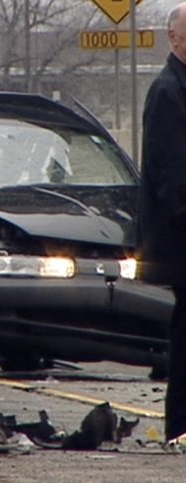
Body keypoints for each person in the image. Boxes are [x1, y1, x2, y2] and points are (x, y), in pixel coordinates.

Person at [137, 2, 186, 444]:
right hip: (181, 244)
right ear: (174, 39)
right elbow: (174, 180)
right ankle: (181, 430)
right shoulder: (168, 92)